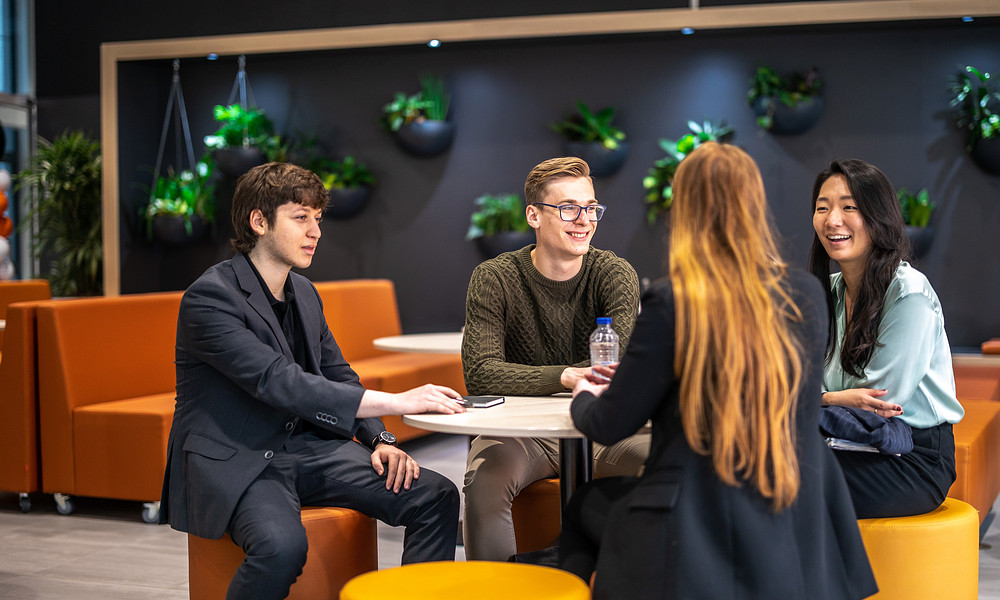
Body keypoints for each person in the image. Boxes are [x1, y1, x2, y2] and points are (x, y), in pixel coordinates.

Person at [559, 143, 877, 599]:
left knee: (580, 506)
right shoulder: (806, 295)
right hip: (792, 512)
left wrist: (584, 396)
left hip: (693, 520)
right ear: (754, 205)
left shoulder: (674, 300)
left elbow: (610, 425)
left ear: (684, 211)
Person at [160, 162, 466, 600]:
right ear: (259, 221)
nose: (315, 232)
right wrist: (399, 402)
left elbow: (336, 372)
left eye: (318, 219)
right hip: (242, 457)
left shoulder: (303, 292)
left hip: (307, 449)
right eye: (300, 218)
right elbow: (278, 381)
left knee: (434, 496)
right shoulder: (210, 298)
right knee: (281, 548)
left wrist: (382, 439)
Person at [460, 156, 648, 562]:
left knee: (664, 461)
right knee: (484, 482)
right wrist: (564, 376)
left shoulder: (614, 273)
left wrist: (568, 378)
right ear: (533, 215)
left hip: (604, 427)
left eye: (590, 207)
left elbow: (617, 368)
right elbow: (480, 372)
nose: (583, 219)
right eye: (568, 208)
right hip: (521, 432)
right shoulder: (495, 277)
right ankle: (498, 592)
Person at [809, 158, 964, 518]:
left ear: (879, 216)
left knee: (782, 479)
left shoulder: (908, 293)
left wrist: (815, 397)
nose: (833, 220)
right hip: (844, 441)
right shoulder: (825, 293)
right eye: (822, 208)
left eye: (850, 207)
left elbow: (877, 404)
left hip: (912, 458)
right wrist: (829, 397)